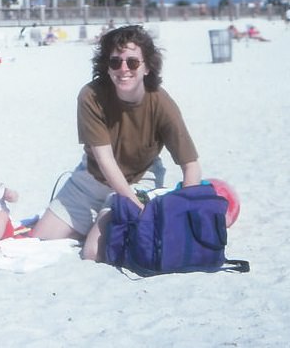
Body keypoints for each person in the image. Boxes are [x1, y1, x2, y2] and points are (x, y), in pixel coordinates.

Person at [31, 25, 202, 262]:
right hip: (91, 178)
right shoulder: (91, 96)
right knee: (38, 240)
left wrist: (185, 209)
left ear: (147, 67)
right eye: (115, 62)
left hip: (139, 179)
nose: (123, 69)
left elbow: (190, 164)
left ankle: (105, 221)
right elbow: (105, 160)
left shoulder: (161, 103)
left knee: (91, 252)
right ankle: (97, 219)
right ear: (106, 66)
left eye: (132, 62)